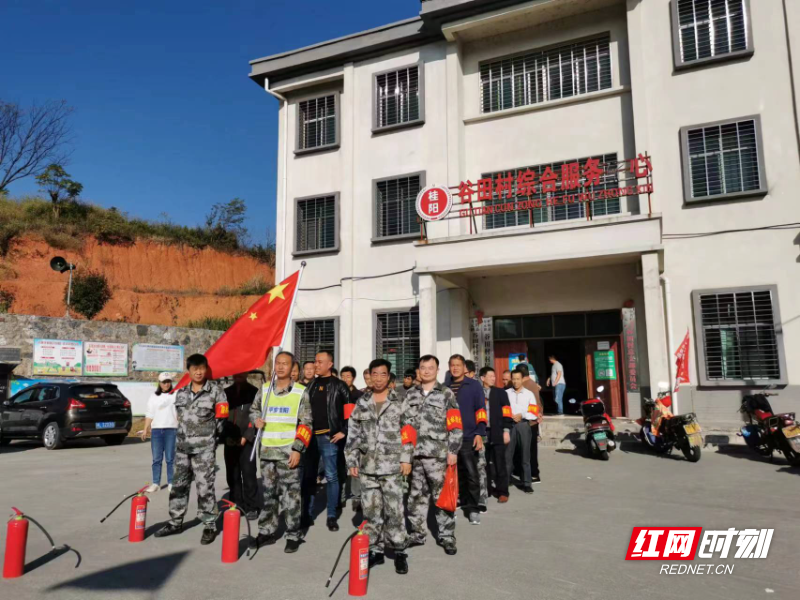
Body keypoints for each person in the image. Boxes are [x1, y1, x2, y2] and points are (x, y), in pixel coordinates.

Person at [345, 358, 415, 574]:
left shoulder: (400, 400)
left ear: (389, 377)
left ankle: (399, 550)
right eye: (374, 374)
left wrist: (406, 458)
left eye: (382, 374)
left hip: (392, 466)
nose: (377, 378)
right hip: (367, 467)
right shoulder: (361, 401)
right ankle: (375, 549)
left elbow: (409, 431)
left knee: (395, 510)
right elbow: (353, 433)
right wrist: (351, 460)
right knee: (371, 511)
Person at [155, 354, 228, 544]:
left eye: (201, 368)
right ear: (189, 370)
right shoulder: (181, 393)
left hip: (204, 450)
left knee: (205, 488)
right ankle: (175, 521)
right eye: (194, 368)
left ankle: (209, 524)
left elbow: (221, 419)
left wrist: (210, 439)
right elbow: (179, 419)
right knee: (178, 486)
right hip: (182, 449)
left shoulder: (216, 392)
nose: (198, 372)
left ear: (206, 369)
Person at [250, 351, 311, 553]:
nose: (281, 367)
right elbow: (254, 410)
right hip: (267, 453)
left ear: (292, 367)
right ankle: (267, 531)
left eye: (285, 364)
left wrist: (297, 449)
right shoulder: (265, 390)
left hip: (288, 454)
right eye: (278, 363)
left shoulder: (300, 392)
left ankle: (293, 534)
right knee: (268, 494)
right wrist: (256, 419)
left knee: (291, 496)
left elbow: (306, 424)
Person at [405, 355, 462, 556]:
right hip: (415, 456)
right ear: (419, 370)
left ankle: (447, 537)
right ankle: (417, 533)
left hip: (438, 456)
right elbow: (404, 425)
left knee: (442, 498)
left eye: (431, 367)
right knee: (415, 497)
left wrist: (453, 450)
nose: (427, 371)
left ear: (437, 370)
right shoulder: (410, 394)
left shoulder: (446, 394)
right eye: (423, 367)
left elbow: (455, 425)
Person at [301, 351, 351, 531]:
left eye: (320, 362)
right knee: (309, 476)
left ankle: (331, 515)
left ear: (330, 364)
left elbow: (350, 413)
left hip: (329, 438)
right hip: (310, 438)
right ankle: (307, 513)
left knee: (331, 476)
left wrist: (343, 431)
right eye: (315, 362)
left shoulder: (340, 386)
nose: (316, 365)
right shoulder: (310, 386)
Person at [447, 354, 486, 525]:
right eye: (452, 365)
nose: (455, 368)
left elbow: (481, 410)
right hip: (448, 438)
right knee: (452, 474)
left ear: (464, 368)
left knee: (471, 473)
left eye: (458, 365)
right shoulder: (445, 387)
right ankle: (452, 504)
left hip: (469, 436)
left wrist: (480, 432)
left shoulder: (474, 385)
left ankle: (473, 508)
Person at [222, 373, 260, 520]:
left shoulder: (254, 392)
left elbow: (257, 415)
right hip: (230, 440)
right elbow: (222, 416)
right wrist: (225, 435)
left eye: (241, 373)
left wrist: (247, 435)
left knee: (249, 474)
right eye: (236, 374)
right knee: (232, 475)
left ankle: (252, 506)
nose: (238, 376)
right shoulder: (226, 393)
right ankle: (236, 503)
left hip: (247, 440)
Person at [479, 367, 513, 502]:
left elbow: (507, 413)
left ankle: (503, 491)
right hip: (482, 432)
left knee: (500, 462)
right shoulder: (477, 393)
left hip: (497, 431)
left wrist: (506, 431)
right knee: (483, 463)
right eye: (490, 376)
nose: (494, 378)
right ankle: (486, 489)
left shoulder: (500, 393)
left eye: (494, 376)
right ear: (482, 378)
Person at [142, 372, 178, 494]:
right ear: (160, 383)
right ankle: (156, 483)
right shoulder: (153, 396)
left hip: (171, 429)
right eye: (164, 382)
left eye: (168, 381)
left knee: (170, 459)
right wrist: (146, 428)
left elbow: (180, 412)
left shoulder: (176, 395)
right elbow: (149, 413)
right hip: (157, 430)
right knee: (156, 459)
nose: (166, 384)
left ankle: (171, 482)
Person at [505, 370, 538, 494]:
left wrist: (522, 415)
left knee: (525, 455)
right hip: (510, 425)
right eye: (513, 379)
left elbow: (533, 413)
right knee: (508, 455)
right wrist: (510, 416)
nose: (515, 381)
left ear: (522, 379)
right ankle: (507, 480)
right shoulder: (506, 393)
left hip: (524, 424)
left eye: (518, 379)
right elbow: (503, 408)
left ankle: (526, 483)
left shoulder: (529, 394)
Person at [516, 364, 543, 484]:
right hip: (533, 421)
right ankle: (531, 473)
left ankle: (534, 474)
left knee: (529, 449)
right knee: (530, 449)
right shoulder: (533, 383)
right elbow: (539, 402)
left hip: (529, 422)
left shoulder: (526, 386)